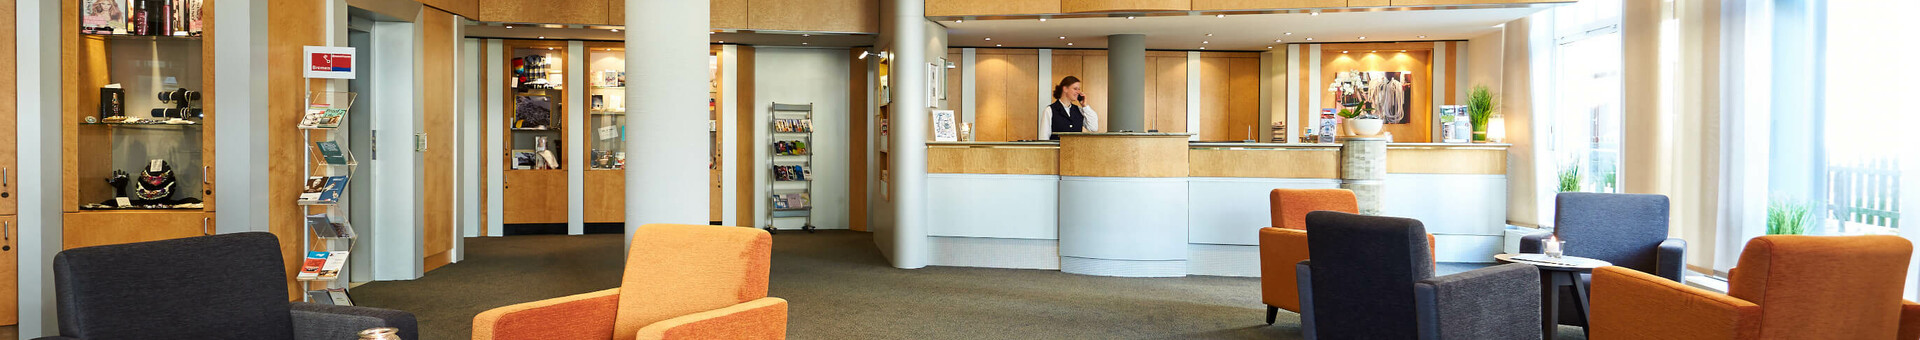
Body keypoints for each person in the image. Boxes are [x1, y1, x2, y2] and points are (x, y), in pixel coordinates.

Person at [1041, 76, 1099, 140]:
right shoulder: (1050, 110)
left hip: (1076, 149)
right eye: (1075, 89)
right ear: (1065, 89)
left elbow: (1093, 128)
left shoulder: (1079, 110)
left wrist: (1085, 106)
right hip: (1058, 149)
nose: (1078, 92)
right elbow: (1044, 137)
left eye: (1079, 89)